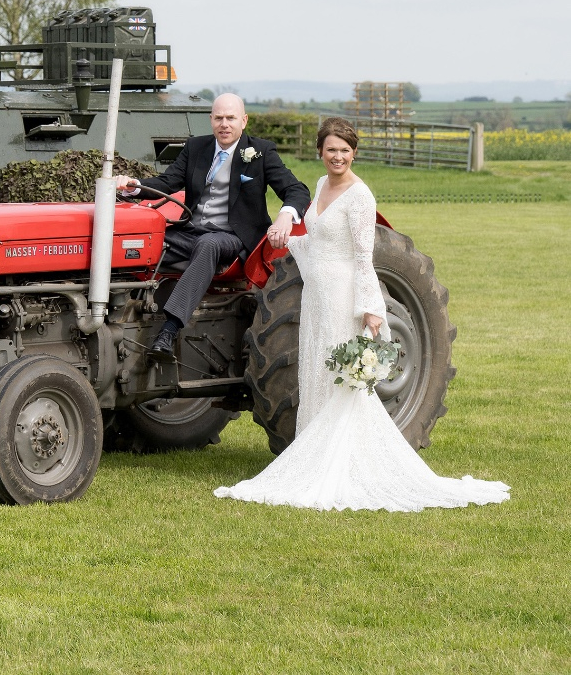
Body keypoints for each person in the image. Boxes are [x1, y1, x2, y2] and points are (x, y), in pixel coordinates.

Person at [215, 116, 510, 512]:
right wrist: (283, 239)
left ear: (354, 153)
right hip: (316, 296)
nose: (338, 157)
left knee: (341, 380)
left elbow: (361, 258)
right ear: (320, 152)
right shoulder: (320, 186)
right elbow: (317, 242)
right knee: (316, 373)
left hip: (341, 295)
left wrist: (372, 311)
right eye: (331, 149)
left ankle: (345, 464)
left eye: (345, 150)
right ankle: (313, 456)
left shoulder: (360, 196)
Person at [115, 93, 310, 357]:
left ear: (244, 120)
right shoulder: (196, 148)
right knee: (141, 243)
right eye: (219, 118)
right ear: (211, 120)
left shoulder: (260, 152)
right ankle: (120, 313)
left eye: (231, 118)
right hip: (190, 231)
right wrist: (134, 187)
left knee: (208, 245)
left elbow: (296, 189)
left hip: (232, 237)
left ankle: (169, 330)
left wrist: (286, 216)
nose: (224, 124)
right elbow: (167, 183)